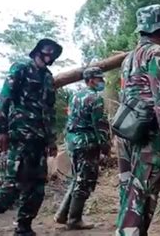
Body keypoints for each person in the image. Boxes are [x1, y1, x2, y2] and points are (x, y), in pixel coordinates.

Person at [0, 38, 63, 236]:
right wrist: (0, 129)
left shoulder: (48, 76)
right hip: (20, 136)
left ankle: (23, 226)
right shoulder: (21, 68)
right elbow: (5, 97)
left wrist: (51, 140)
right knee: (14, 182)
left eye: (55, 52)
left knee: (37, 185)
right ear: (38, 50)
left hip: (39, 139)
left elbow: (49, 111)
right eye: (48, 50)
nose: (51, 54)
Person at [116, 4, 160, 236]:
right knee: (142, 196)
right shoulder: (158, 54)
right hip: (149, 134)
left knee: (129, 194)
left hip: (127, 130)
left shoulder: (129, 58)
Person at [54, 66, 110, 230]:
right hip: (87, 143)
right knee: (84, 180)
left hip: (72, 141)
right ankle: (74, 219)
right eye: (100, 79)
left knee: (77, 178)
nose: (102, 82)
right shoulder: (95, 98)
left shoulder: (75, 96)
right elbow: (99, 125)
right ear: (91, 80)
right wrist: (105, 145)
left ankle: (62, 214)